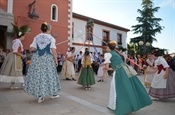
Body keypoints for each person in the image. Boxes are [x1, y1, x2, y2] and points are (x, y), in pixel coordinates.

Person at [104, 40, 152, 115]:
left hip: (120, 72)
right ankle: (130, 105)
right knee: (128, 87)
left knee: (119, 89)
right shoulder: (116, 53)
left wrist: (107, 68)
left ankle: (121, 107)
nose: (105, 48)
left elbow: (107, 67)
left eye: (106, 46)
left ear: (108, 47)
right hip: (126, 70)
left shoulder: (108, 54)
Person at [24, 22, 61, 103]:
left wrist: (36, 47)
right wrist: (56, 60)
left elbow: (32, 48)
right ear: (48, 29)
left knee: (38, 75)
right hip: (47, 58)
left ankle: (40, 95)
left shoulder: (36, 37)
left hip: (37, 58)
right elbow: (54, 51)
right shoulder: (51, 38)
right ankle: (53, 93)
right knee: (49, 75)